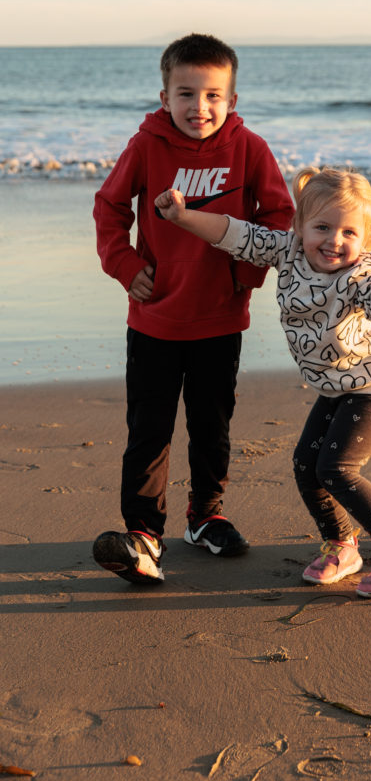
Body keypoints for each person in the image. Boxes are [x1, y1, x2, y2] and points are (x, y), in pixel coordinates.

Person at [154, 166, 371, 599]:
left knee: (337, 468)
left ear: (364, 239)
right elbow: (234, 233)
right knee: (307, 466)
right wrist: (183, 216)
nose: (334, 241)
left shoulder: (360, 273)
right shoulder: (286, 250)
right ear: (299, 226)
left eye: (349, 232)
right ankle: (343, 545)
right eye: (322, 227)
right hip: (337, 386)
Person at [92, 33, 294, 585]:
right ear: (164, 97)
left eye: (212, 96)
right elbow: (109, 206)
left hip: (219, 319)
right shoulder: (147, 146)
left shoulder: (249, 148)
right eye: (186, 94)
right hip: (155, 319)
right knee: (149, 430)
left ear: (231, 100)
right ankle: (143, 534)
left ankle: (205, 517)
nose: (198, 107)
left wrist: (244, 272)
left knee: (212, 425)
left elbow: (280, 216)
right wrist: (127, 267)